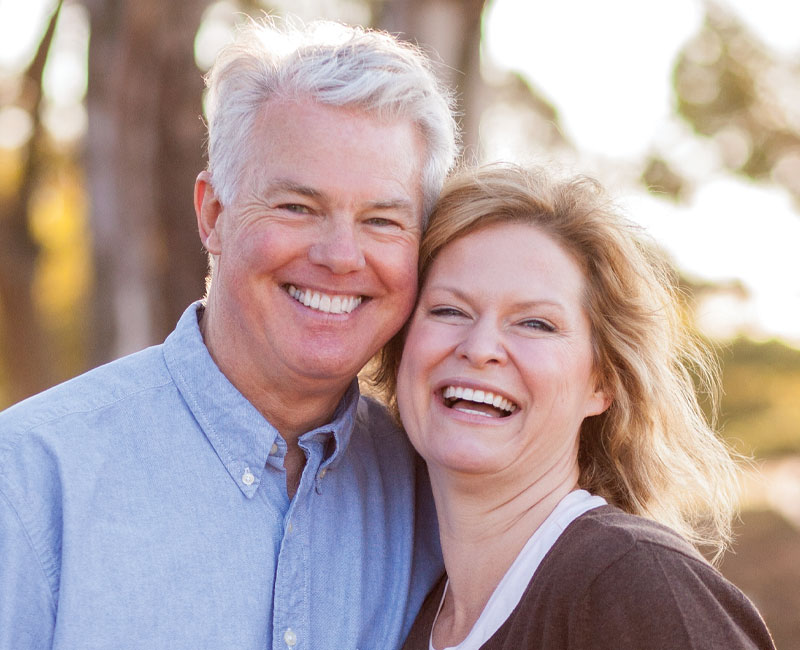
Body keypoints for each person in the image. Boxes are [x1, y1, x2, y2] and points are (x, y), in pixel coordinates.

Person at [0, 18, 458, 649]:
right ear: (213, 214)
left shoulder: (437, 500)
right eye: (298, 207)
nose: (340, 255)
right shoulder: (27, 481)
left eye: (382, 221)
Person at [375, 164, 776, 649]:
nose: (480, 348)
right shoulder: (413, 616)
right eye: (449, 311)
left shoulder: (635, 583)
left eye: (535, 324)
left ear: (601, 382)